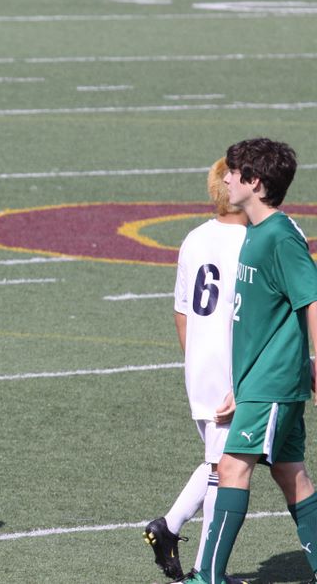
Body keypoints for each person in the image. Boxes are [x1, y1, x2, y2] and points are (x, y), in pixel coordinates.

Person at [183, 138, 317, 584]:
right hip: (258, 381)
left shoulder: (280, 237)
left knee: (231, 467)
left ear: (254, 183)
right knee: (291, 475)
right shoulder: (257, 231)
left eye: (234, 172)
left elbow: (312, 300)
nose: (225, 179)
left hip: (272, 381)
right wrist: (239, 387)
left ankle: (208, 576)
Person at [143, 158, 246, 582]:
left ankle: (168, 528)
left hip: (202, 370)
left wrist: (196, 363)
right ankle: (206, 570)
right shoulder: (251, 241)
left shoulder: (194, 238)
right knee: (226, 471)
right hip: (234, 372)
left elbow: (182, 312)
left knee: (224, 462)